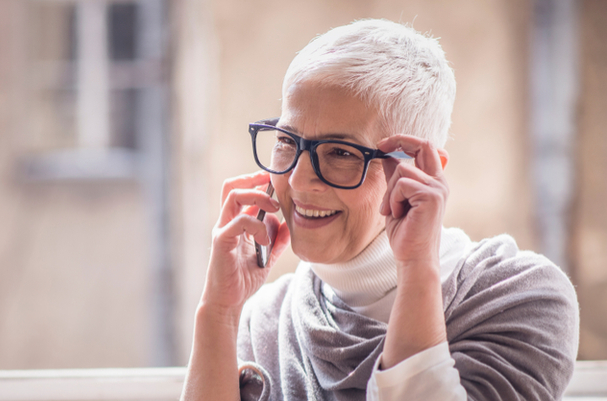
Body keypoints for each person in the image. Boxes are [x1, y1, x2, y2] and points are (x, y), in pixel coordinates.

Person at [180, 19, 579, 401]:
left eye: (340, 152)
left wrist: (417, 267)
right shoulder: (265, 320)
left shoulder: (520, 299)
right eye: (287, 140)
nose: (298, 182)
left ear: (419, 170)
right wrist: (218, 312)